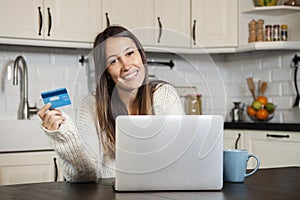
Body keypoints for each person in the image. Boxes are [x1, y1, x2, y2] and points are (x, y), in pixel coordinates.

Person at [38, 25, 184, 182]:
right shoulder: (91, 107)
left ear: (141, 56)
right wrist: (66, 138)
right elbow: (87, 175)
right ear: (106, 72)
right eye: (114, 61)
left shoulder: (164, 95)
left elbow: (179, 160)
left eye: (130, 53)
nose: (127, 66)